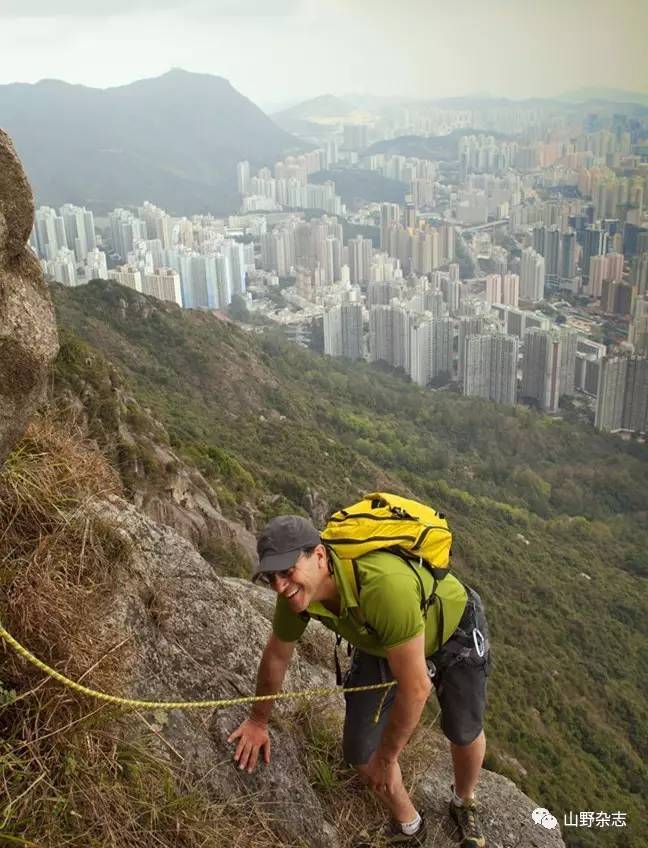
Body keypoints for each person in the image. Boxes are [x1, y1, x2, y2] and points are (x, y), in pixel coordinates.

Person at [228, 514, 491, 848]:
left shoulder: (382, 585)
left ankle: (463, 800)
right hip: (381, 639)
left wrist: (388, 757)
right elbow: (278, 655)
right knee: (358, 750)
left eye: (287, 571)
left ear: (319, 556)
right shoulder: (294, 597)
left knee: (462, 728)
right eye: (271, 578)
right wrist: (257, 720)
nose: (280, 585)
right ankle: (409, 826)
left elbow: (417, 687)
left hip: (450, 625)